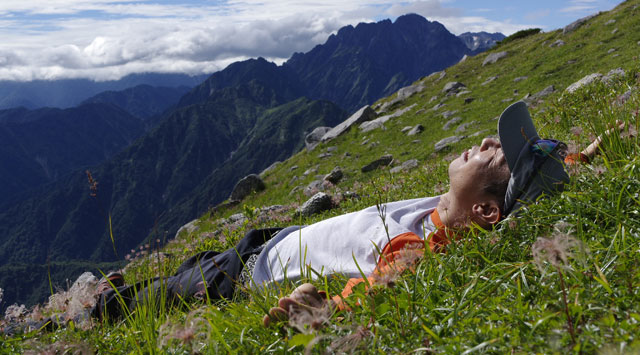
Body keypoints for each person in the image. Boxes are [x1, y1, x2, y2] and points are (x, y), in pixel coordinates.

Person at [1, 101, 612, 334]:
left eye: (495, 154)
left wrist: (313, 306)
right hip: (275, 238)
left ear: (484, 207)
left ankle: (74, 322)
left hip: (251, 272)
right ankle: (109, 299)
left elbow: (370, 292)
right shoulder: (451, 213)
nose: (483, 143)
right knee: (186, 266)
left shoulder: (421, 248)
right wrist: (572, 157)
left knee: (170, 289)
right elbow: (534, 194)